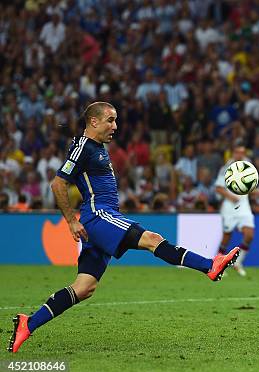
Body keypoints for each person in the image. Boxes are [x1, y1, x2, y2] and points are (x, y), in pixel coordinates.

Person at [7, 102, 240, 353]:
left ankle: (28, 324)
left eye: (115, 120)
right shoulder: (84, 147)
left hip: (101, 219)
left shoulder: (95, 147)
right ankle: (210, 266)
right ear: (94, 122)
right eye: (110, 120)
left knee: (84, 287)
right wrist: (72, 221)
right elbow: (57, 184)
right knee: (152, 239)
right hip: (98, 215)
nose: (115, 126)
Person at [215, 141, 255, 277]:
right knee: (227, 236)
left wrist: (257, 190)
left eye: (242, 152)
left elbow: (250, 184)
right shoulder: (226, 168)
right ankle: (218, 264)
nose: (240, 155)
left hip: (244, 206)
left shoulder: (248, 165)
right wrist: (230, 196)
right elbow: (218, 188)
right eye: (238, 152)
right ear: (233, 153)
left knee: (249, 234)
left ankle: (237, 262)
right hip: (229, 207)